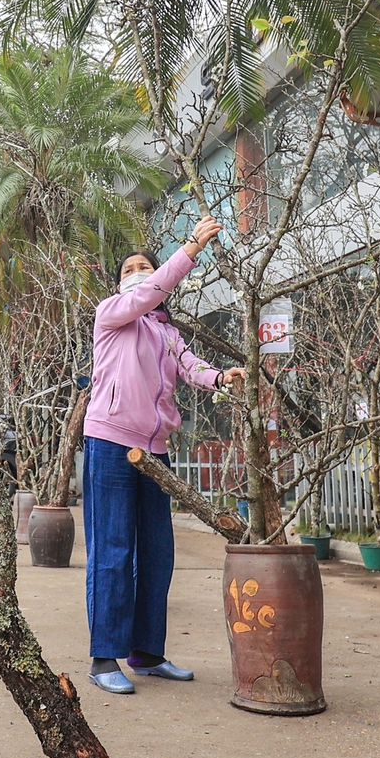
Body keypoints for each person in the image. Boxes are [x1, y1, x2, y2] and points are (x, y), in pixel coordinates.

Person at [81, 215, 245, 695]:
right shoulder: (113, 312)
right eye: (130, 268)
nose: (136, 272)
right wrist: (190, 247)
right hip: (110, 442)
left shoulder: (168, 334)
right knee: (112, 552)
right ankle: (103, 657)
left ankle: (147, 653)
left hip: (155, 451)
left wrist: (220, 378)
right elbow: (147, 293)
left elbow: (191, 367)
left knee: (156, 554)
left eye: (143, 266)